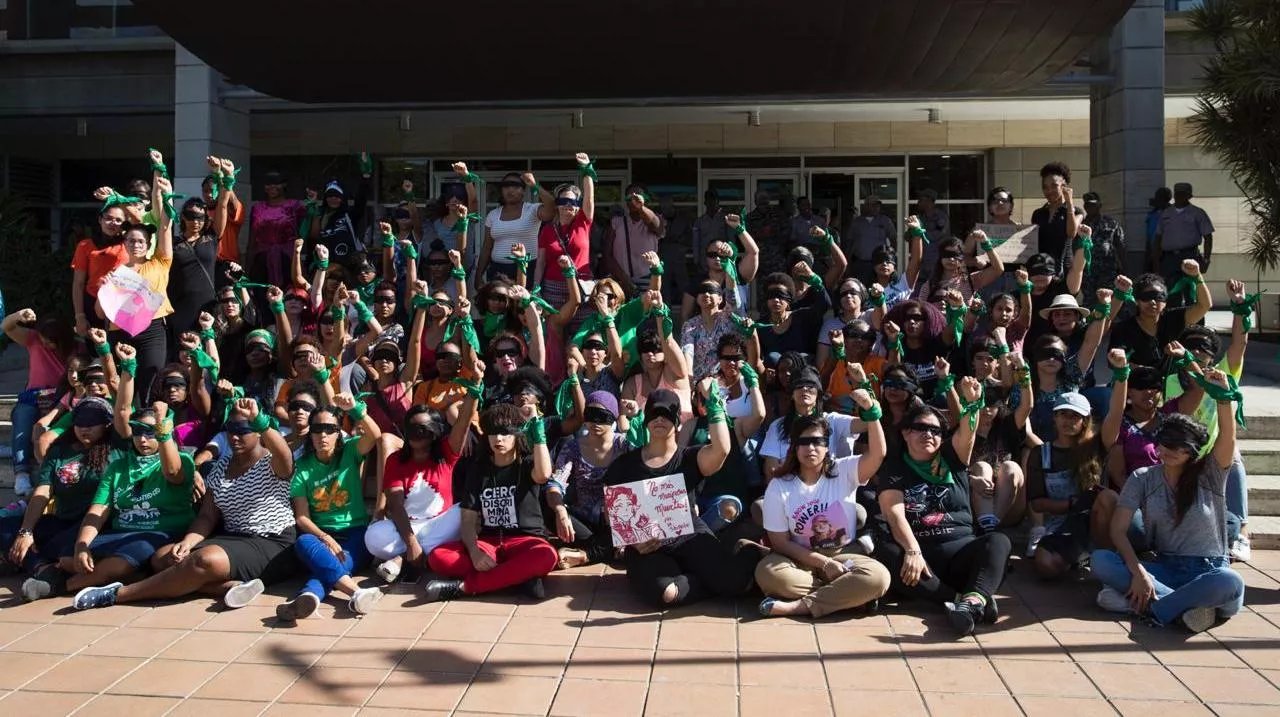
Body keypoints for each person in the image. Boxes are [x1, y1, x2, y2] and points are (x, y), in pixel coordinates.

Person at [69, 397, 297, 611]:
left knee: (202, 560)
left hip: (271, 542)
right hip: (234, 538)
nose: (235, 437)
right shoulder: (221, 466)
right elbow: (207, 517)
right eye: (231, 430)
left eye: (243, 431)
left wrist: (261, 420)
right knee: (163, 557)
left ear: (258, 433)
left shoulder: (272, 463)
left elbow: (285, 455)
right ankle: (228, 587)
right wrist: (187, 542)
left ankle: (118, 594)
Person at [1090, 369, 1245, 633]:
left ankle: (1154, 607)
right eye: (1165, 442)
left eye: (1180, 445)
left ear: (1193, 449)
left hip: (1209, 570)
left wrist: (1223, 399)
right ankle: (1190, 609)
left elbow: (1227, 437)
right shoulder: (1143, 477)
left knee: (1230, 581)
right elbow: (1117, 530)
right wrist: (1139, 573)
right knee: (1101, 560)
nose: (1170, 450)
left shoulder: (1210, 474)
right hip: (1165, 567)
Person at [874, 377, 1014, 636]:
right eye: (920, 428)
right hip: (923, 561)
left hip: (962, 553)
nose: (929, 434)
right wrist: (913, 551)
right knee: (886, 551)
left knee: (998, 542)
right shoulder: (895, 468)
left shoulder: (954, 457)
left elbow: (967, 432)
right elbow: (894, 515)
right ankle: (966, 599)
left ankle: (970, 603)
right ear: (906, 432)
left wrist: (972, 404)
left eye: (936, 430)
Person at [600, 387, 762, 607]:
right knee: (666, 593)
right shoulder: (625, 464)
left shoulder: (690, 457)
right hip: (647, 545)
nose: (659, 419)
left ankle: (745, 551)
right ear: (646, 419)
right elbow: (610, 513)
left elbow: (721, 451)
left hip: (689, 535)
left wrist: (715, 411)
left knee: (737, 583)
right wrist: (633, 540)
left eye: (667, 414)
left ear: (677, 422)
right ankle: (700, 579)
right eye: (654, 414)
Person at [756, 392, 892, 619]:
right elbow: (780, 542)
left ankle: (797, 606)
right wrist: (823, 563)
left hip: (842, 553)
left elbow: (878, 454)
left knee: (878, 577)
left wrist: (872, 413)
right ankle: (849, 596)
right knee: (768, 574)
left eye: (817, 442)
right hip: (799, 559)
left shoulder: (845, 470)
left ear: (827, 446)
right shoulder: (779, 486)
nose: (811, 448)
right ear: (794, 448)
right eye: (804, 442)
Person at [54, 391, 198, 599]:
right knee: (70, 554)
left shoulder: (182, 460)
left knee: (128, 557)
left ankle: (63, 586)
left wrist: (163, 427)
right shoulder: (118, 467)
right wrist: (81, 546)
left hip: (163, 531)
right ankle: (130, 575)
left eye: (150, 432)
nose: (142, 439)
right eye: (137, 431)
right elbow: (98, 510)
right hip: (122, 532)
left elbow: (173, 473)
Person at [422, 406, 558, 602]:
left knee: (546, 556)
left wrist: (537, 427)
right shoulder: (478, 469)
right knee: (438, 557)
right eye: (493, 434)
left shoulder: (527, 464)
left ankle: (465, 587)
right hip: (488, 544)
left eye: (505, 433)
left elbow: (544, 474)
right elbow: (467, 521)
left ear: (517, 435)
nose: (498, 439)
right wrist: (475, 553)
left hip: (525, 541)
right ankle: (519, 579)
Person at [366, 355, 479, 583]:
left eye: (425, 428)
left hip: (441, 522)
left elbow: (464, 420)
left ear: (436, 431)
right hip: (406, 525)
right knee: (373, 537)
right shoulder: (396, 459)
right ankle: (419, 553)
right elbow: (396, 505)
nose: (418, 433)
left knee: (465, 512)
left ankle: (401, 559)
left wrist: (475, 387)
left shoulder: (447, 452)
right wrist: (411, 542)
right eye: (413, 428)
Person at [276, 393, 384, 620]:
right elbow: (302, 518)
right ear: (310, 433)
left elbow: (374, 435)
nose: (322, 435)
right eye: (316, 429)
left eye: (329, 429)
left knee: (333, 564)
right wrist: (324, 537)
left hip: (356, 532)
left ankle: (308, 595)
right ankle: (356, 593)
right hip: (321, 534)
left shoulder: (350, 452)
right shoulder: (302, 467)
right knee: (304, 542)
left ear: (338, 433)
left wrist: (355, 409)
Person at [1166, 280, 1252, 561]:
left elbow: (1239, 342)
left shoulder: (1223, 374)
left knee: (1234, 456)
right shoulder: (1171, 382)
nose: (1199, 353)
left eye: (1204, 350)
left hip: (1215, 457)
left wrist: (1239, 305)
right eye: (1193, 349)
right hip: (1184, 458)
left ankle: (1241, 530)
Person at [3, 398, 120, 590]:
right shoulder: (59, 451)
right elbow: (43, 490)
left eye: (92, 423)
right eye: (80, 423)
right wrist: (26, 531)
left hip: (94, 525)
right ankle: (43, 568)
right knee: (8, 528)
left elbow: (123, 409)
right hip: (61, 519)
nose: (85, 428)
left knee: (62, 549)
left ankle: (33, 564)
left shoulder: (117, 449)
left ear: (107, 423)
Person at [99, 158, 176, 404]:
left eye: (141, 241)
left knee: (152, 380)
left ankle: (150, 431)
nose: (136, 244)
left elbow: (164, 225)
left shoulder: (160, 261)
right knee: (122, 384)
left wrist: (166, 191)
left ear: (147, 244)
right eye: (131, 241)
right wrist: (105, 290)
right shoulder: (118, 273)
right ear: (124, 244)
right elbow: (103, 312)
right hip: (120, 330)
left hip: (153, 329)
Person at [1027, 392, 1116, 579]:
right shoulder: (1040, 454)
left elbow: (1115, 414)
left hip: (1096, 523)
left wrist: (1121, 375)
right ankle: (1078, 557)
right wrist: (1072, 504)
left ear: (1085, 420)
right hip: (1062, 524)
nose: (1068, 421)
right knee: (1046, 566)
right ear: (1054, 417)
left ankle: (1107, 560)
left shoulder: (1096, 447)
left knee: (1108, 498)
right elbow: (1036, 503)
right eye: (1063, 414)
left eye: (1074, 416)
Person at [547, 391, 633, 568]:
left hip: (619, 520)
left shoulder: (625, 445)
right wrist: (560, 511)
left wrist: (637, 416)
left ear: (614, 418)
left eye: (602, 417)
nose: (595, 423)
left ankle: (587, 554)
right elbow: (556, 483)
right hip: (584, 521)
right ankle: (608, 547)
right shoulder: (573, 447)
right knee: (546, 502)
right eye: (590, 416)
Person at [3, 308, 74, 497]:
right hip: (33, 396)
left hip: (62, 397)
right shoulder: (34, 339)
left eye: (50, 341)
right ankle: (21, 473)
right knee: (23, 417)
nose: (45, 343)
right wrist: (19, 316)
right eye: (43, 338)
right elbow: (7, 327)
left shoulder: (77, 347)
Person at [1108, 265, 1212, 371]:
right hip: (1137, 384)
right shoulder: (1123, 329)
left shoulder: (1174, 319)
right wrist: (1146, 371)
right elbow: (1114, 361)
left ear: (1165, 302)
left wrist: (1197, 276)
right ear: (1137, 301)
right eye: (1146, 297)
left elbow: (1204, 306)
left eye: (1158, 297)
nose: (1152, 302)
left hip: (1174, 383)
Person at [534, 154, 596, 311]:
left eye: (572, 202)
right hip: (553, 287)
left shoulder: (583, 222)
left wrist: (586, 170)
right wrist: (536, 288)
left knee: (580, 327)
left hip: (580, 284)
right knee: (555, 329)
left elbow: (589, 199)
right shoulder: (547, 230)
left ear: (577, 206)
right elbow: (540, 262)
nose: (567, 205)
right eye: (563, 201)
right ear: (557, 206)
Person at [477, 171, 553, 281]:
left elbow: (551, 208)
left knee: (524, 298)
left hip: (527, 268)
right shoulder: (493, 215)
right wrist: (478, 275)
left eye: (516, 186)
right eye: (506, 186)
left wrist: (534, 185)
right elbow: (487, 248)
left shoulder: (532, 210)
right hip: (497, 271)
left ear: (523, 190)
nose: (510, 190)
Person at [246, 170, 308, 294]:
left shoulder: (295, 206)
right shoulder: (257, 208)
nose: (272, 187)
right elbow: (252, 238)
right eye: (268, 184)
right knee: (262, 298)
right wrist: (248, 266)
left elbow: (304, 234)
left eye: (276, 183)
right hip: (262, 260)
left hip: (288, 259)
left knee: (289, 296)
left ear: (284, 185)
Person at [607, 184, 666, 296]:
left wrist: (641, 207)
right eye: (630, 198)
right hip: (620, 280)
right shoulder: (616, 222)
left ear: (646, 199)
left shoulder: (655, 219)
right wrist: (624, 280)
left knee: (646, 311)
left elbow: (656, 226)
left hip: (647, 279)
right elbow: (608, 254)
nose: (634, 201)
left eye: (638, 197)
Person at [1153, 182, 1215, 286]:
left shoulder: (1197, 213)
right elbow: (1158, 237)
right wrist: (1156, 261)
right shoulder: (1166, 213)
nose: (1179, 196)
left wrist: (1206, 259)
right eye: (1177, 193)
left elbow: (1208, 237)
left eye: (1183, 193)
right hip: (1169, 258)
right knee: (1170, 290)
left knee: (1190, 290)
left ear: (1189, 196)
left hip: (1190, 255)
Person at [1029, 162, 1082, 273]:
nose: (1049, 191)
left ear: (1064, 186)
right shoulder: (1038, 213)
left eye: (1054, 186)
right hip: (1041, 271)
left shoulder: (1077, 212)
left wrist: (1069, 203)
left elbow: (1071, 233)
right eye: (1045, 187)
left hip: (1064, 271)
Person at [1080, 191, 1127, 307]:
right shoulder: (1080, 224)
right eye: (1087, 205)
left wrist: (1124, 267)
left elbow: (1120, 246)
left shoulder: (1111, 223)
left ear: (1099, 206)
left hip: (1107, 269)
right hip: (1087, 270)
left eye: (1092, 204)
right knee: (1089, 300)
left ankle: (1107, 323)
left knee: (1107, 298)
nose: (1089, 207)